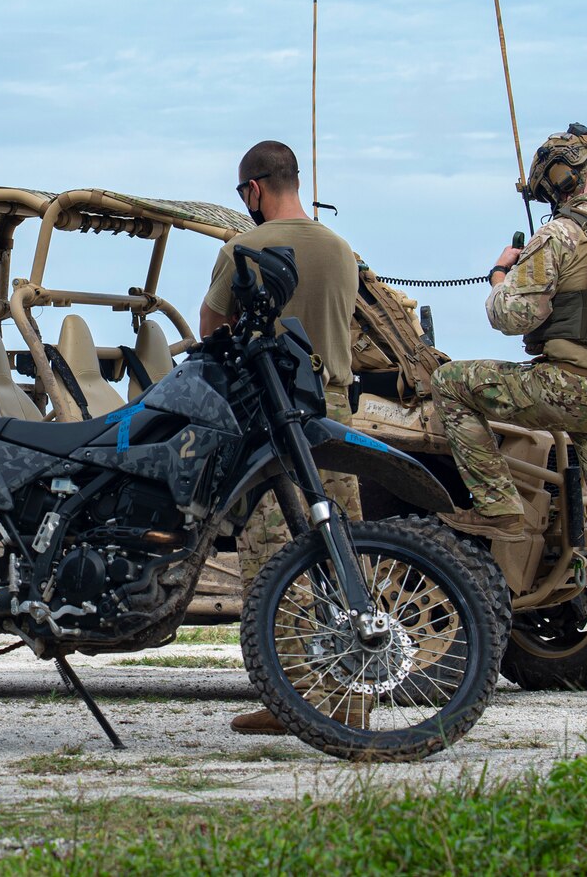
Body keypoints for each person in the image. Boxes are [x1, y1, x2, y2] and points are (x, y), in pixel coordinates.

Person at [431, 125, 587, 711]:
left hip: (565, 387)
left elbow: (509, 318)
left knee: (450, 384)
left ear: (559, 177)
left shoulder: (560, 234)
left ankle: (502, 508)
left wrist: (501, 275)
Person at [199, 140, 363, 736]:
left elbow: (211, 328)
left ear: (254, 190)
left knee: (276, 557)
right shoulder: (342, 249)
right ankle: (355, 691)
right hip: (334, 411)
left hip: (272, 411)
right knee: (342, 546)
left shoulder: (245, 247)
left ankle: (290, 698)